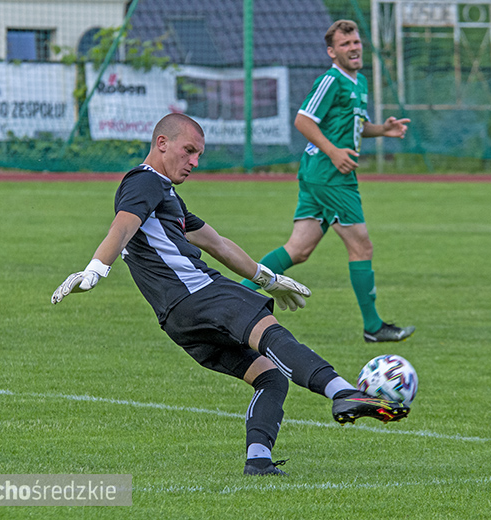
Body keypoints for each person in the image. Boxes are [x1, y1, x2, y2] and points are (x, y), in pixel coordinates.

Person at [51, 113, 409, 477]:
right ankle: (343, 392)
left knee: (270, 377)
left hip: (178, 320)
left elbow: (217, 243)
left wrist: (268, 278)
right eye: (189, 151)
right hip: (199, 292)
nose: (194, 162)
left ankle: (259, 461)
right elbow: (122, 225)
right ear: (162, 143)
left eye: (199, 155)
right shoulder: (144, 181)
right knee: (270, 333)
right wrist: (95, 269)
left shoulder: (166, 196)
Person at [240, 20, 415, 343]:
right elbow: (303, 120)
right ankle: (373, 327)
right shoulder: (331, 80)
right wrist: (333, 152)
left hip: (323, 174)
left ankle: (235, 299)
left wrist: (382, 130)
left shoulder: (359, 82)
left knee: (298, 250)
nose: (354, 48)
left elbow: (354, 126)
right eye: (345, 44)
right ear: (332, 52)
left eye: (356, 42)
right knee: (361, 246)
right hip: (330, 175)